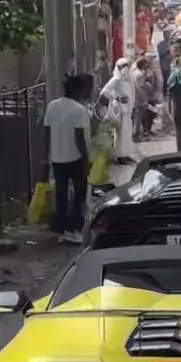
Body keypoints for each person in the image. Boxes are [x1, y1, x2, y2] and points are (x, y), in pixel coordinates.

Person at [42, 74, 91, 245]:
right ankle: (75, 229)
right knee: (79, 195)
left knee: (61, 195)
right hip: (75, 159)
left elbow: (46, 133)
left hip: (57, 158)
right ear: (78, 90)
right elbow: (79, 139)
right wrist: (86, 159)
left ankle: (62, 229)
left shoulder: (52, 106)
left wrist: (46, 157)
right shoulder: (79, 109)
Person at [99, 58, 137, 164]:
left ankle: (126, 154)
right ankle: (119, 156)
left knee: (127, 133)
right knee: (120, 135)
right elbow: (104, 91)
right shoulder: (116, 79)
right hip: (120, 110)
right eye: (123, 66)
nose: (126, 68)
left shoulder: (129, 79)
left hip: (128, 110)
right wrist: (116, 98)